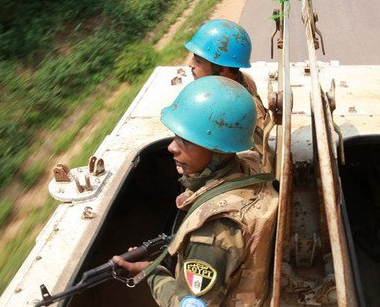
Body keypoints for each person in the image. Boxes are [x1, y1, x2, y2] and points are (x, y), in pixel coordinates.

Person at [113, 76, 279, 306]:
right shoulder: (250, 165)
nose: (171, 147)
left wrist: (151, 273)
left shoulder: (211, 235)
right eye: (176, 137)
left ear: (218, 149)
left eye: (187, 140)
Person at [185, 19, 269, 157]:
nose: (190, 64)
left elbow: (257, 159)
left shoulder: (244, 110)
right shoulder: (235, 82)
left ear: (223, 69)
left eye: (198, 61)